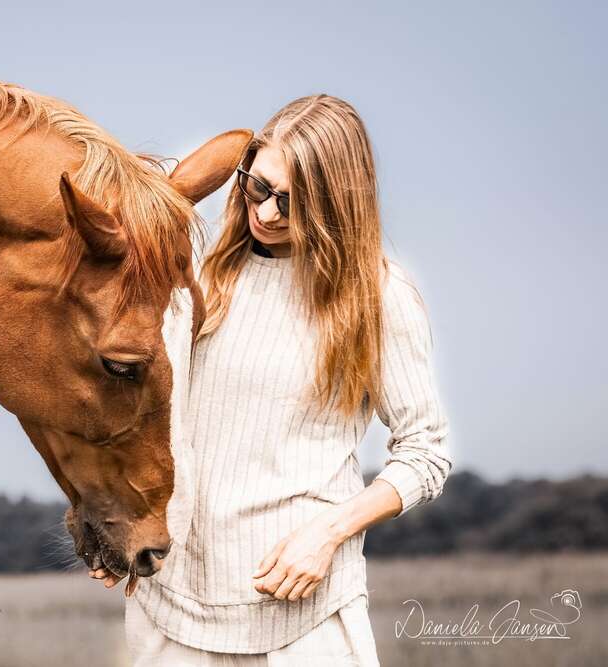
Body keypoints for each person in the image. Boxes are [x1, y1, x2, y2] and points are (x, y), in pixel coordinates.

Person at [90, 94, 454, 666]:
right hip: (172, 611)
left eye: (294, 202)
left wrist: (328, 534)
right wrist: (116, 518)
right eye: (258, 187)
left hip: (303, 611)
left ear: (340, 206)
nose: (268, 212)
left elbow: (426, 454)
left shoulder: (378, 297)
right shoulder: (196, 266)